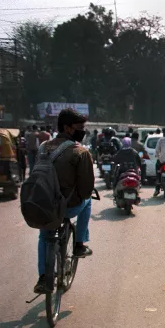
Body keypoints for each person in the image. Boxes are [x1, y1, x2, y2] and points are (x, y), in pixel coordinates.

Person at [34, 109, 95, 294]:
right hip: (69, 208)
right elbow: (85, 190)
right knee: (88, 202)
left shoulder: (43, 147)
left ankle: (43, 278)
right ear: (67, 128)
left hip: (43, 207)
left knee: (44, 236)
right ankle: (79, 244)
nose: (82, 131)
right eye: (79, 127)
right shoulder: (80, 152)